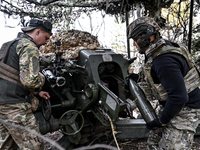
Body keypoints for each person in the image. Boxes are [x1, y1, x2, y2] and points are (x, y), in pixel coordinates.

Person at [127, 16, 200, 150]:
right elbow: (161, 79)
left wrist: (162, 121)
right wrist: (137, 77)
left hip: (186, 110)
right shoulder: (160, 50)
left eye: (135, 39)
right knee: (153, 144)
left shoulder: (164, 60)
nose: (134, 44)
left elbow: (179, 96)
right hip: (174, 106)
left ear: (145, 36)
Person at [0, 18, 52, 149]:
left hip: (3, 104)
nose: (46, 42)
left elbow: (12, 75)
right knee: (35, 146)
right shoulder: (29, 46)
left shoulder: (10, 44)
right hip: (15, 107)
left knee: (7, 146)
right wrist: (42, 79)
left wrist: (37, 92)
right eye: (46, 38)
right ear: (38, 32)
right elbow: (29, 80)